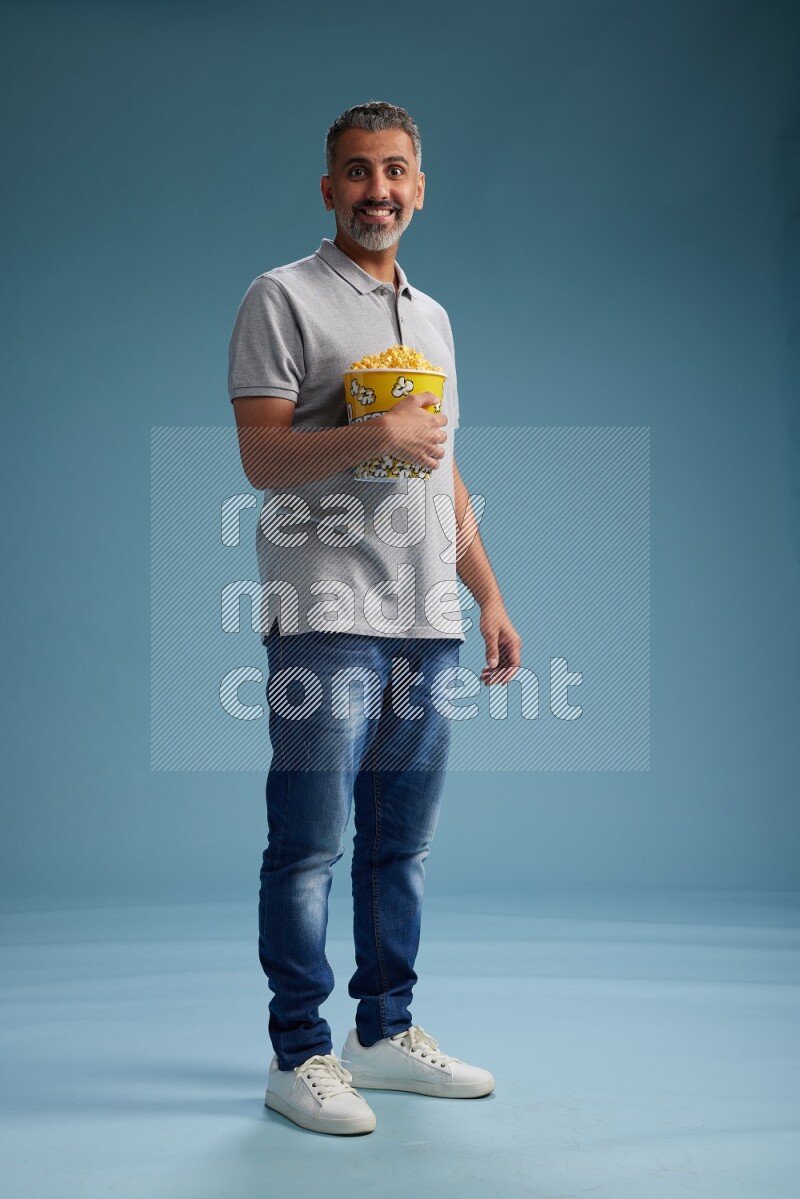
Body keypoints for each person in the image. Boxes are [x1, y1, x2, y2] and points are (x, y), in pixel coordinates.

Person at [228, 100, 522, 1136]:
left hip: (424, 612)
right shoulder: (282, 296)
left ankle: (382, 1032)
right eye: (357, 172)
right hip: (324, 607)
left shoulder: (432, 317)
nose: (378, 190)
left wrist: (484, 590)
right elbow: (261, 457)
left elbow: (438, 471)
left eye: (395, 170)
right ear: (328, 189)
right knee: (308, 842)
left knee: (402, 843)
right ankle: (298, 1049)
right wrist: (371, 432)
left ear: (420, 186)